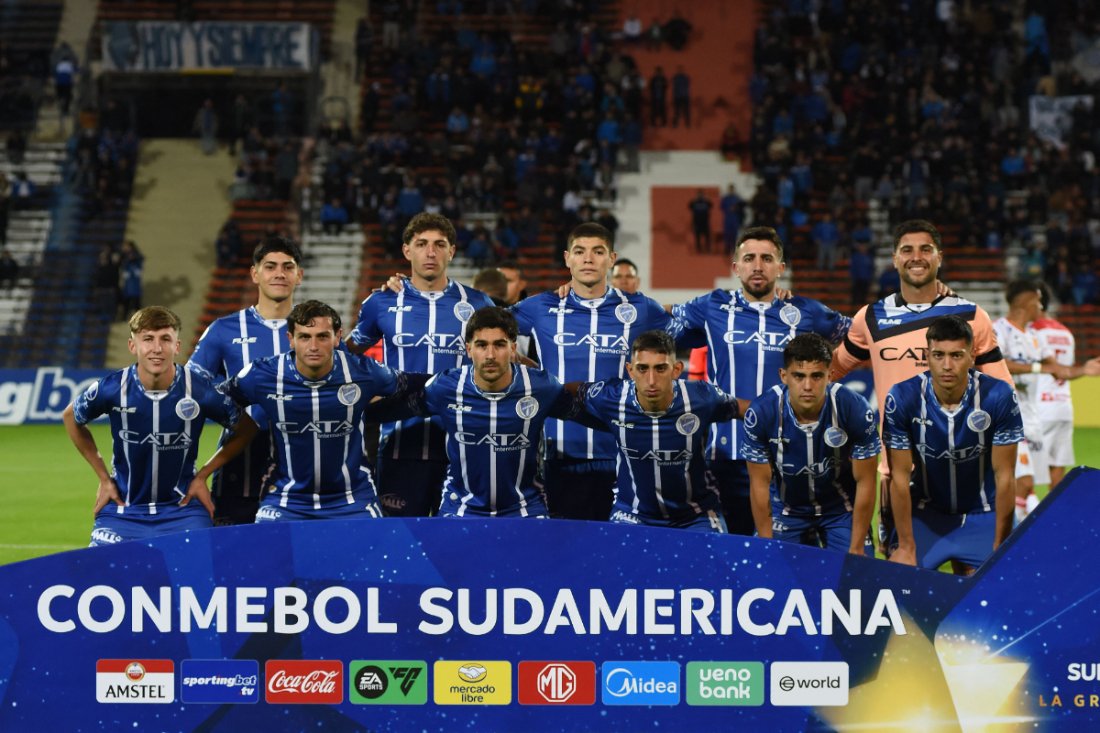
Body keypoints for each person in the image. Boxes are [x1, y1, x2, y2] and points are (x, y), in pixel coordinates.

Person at [830, 220, 1014, 553]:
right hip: (898, 472)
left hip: (967, 469)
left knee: (974, 583)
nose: (917, 257)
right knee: (906, 579)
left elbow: (1001, 389)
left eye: (926, 249)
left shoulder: (971, 316)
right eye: (907, 250)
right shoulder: (870, 318)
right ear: (895, 259)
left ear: (939, 257)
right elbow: (831, 370)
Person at [669, 226, 852, 536]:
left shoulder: (805, 311)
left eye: (767, 258)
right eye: (749, 258)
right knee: (732, 556)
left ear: (780, 268)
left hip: (790, 459)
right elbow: (654, 322)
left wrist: (831, 374)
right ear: (736, 267)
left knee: (789, 557)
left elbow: (860, 334)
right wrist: (581, 295)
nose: (757, 266)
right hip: (726, 457)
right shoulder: (712, 307)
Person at [512, 222, 677, 521]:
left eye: (597, 251)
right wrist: (405, 289)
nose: (588, 259)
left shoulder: (641, 309)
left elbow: (696, 328)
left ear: (611, 259)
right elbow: (481, 323)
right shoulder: (541, 307)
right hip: (556, 455)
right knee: (564, 552)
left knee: (617, 554)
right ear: (567, 259)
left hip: (622, 454)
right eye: (580, 251)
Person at [364, 307, 591, 518]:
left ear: (513, 348)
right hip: (461, 508)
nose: (490, 354)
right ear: (468, 349)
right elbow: (391, 410)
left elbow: (589, 415)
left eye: (499, 345)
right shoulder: (447, 387)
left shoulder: (542, 387)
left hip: (525, 509)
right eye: (482, 345)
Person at [194, 300, 406, 523]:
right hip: (286, 500)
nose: (313, 346)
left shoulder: (364, 371)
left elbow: (418, 387)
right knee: (271, 556)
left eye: (322, 336)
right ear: (291, 340)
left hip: (353, 499)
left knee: (374, 556)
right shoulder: (262, 374)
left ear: (337, 337)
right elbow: (210, 402)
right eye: (305, 337)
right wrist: (202, 473)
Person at [346, 213, 495, 517]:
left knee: (457, 545)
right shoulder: (381, 303)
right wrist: (367, 392)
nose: (430, 252)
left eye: (439, 245)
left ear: (451, 251)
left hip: (463, 448)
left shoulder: (479, 304)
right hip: (399, 445)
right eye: (422, 244)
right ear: (406, 251)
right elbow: (346, 356)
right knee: (401, 545)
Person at [62, 307, 242, 546]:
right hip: (123, 508)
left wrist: (204, 475)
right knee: (101, 577)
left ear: (177, 346)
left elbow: (246, 426)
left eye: (165, 339)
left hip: (184, 510)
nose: (157, 348)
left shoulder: (199, 389)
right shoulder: (113, 388)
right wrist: (104, 479)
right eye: (148, 339)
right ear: (132, 345)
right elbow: (71, 417)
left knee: (202, 577)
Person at [883, 316, 1023, 572]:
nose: (947, 365)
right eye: (938, 355)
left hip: (985, 514)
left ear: (972, 356)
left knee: (993, 597)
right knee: (899, 589)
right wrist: (905, 546)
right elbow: (899, 477)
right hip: (926, 514)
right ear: (927, 355)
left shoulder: (999, 396)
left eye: (957, 356)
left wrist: (1001, 544)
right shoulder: (903, 397)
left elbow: (1005, 476)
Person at [188, 235, 304, 525]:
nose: (279, 273)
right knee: (233, 558)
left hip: (301, 464)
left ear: (299, 275)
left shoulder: (316, 332)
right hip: (239, 459)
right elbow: (189, 392)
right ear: (255, 274)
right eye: (270, 266)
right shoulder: (223, 330)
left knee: (292, 561)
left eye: (287, 267)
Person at [576, 330, 742, 532]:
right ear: (630, 370)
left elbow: (748, 411)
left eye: (661, 368)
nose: (651, 380)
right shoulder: (610, 397)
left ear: (676, 369)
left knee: (715, 562)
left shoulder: (702, 397)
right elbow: (558, 393)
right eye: (642, 368)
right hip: (631, 514)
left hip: (696, 515)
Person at [743, 334, 880, 554]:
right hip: (786, 509)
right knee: (770, 578)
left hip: (840, 510)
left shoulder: (854, 408)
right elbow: (759, 484)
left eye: (817, 376)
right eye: (799, 376)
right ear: (784, 376)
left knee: (858, 578)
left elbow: (866, 482)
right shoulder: (762, 412)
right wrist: (766, 546)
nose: (808, 386)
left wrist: (856, 548)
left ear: (830, 375)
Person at [994, 280, 1100, 517]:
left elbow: (1057, 370)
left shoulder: (1035, 337)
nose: (1041, 307)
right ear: (1027, 302)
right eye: (1038, 301)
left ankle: (1011, 536)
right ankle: (1003, 539)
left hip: (1033, 419)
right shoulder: (997, 330)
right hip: (1006, 418)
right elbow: (997, 364)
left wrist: (1083, 369)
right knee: (1023, 482)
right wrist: (1037, 369)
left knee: (1028, 484)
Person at [119, 240, 144, 318]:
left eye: (125, 246)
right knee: (127, 300)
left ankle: (140, 317)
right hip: (128, 283)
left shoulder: (136, 256)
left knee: (136, 301)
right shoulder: (123, 256)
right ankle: (125, 316)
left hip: (134, 282)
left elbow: (140, 262)